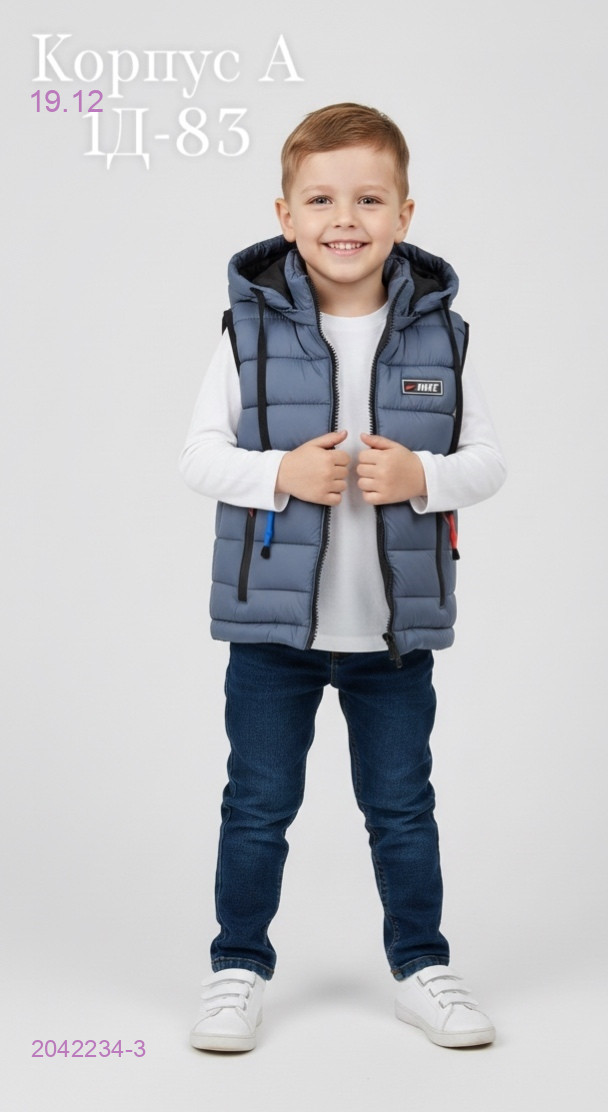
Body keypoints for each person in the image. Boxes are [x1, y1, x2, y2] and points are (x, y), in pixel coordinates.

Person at [180, 102, 506, 1052]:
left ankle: (422, 967)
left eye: (368, 198)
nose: (345, 219)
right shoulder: (245, 334)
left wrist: (423, 478)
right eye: (321, 199)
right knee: (257, 806)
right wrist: (279, 473)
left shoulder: (445, 337)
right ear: (285, 215)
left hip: (393, 637)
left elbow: (488, 463)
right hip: (272, 635)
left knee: (402, 808)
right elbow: (198, 456)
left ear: (405, 213)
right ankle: (237, 969)